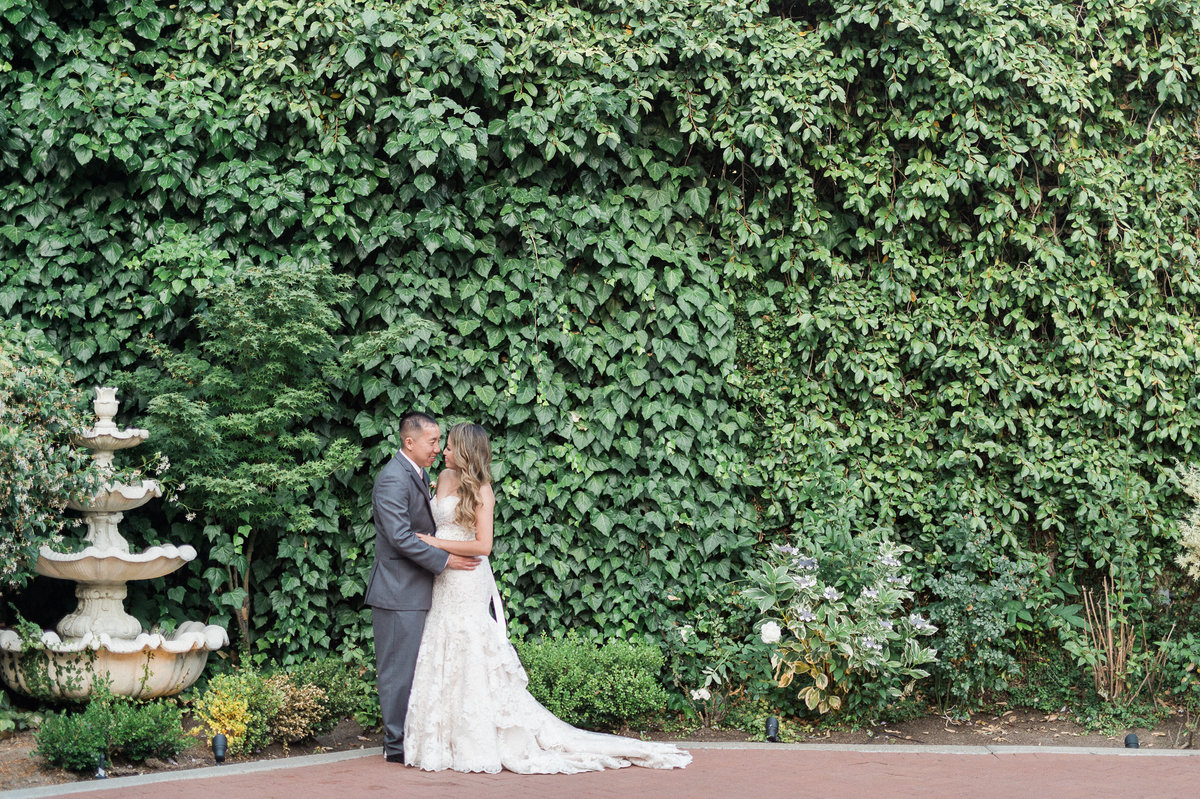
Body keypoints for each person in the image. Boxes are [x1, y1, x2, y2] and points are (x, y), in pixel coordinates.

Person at [403, 422, 692, 773]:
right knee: (441, 641)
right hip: (443, 577)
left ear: (465, 451)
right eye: (442, 446)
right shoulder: (444, 480)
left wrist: (435, 544)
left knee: (470, 644)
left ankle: (478, 738)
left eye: (449, 447)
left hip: (467, 577)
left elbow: (484, 545)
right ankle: (441, 739)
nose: (443, 452)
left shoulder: (483, 490)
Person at [365, 412, 480, 763]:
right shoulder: (392, 480)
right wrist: (444, 560)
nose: (437, 448)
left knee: (417, 668)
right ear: (409, 442)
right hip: (397, 590)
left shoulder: (419, 474)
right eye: (432, 442)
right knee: (398, 670)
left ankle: (411, 738)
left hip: (417, 589)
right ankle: (396, 747)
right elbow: (400, 537)